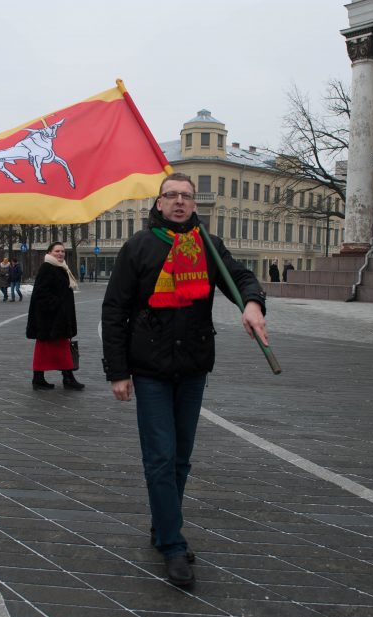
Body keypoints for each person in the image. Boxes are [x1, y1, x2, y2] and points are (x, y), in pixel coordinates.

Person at [102, 173, 267, 587]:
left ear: (195, 204)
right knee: (160, 457)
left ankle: (163, 526)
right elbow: (114, 311)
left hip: (193, 367)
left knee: (180, 459)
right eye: (171, 195)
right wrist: (117, 372)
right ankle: (173, 546)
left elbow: (241, 277)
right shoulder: (139, 246)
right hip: (151, 369)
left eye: (186, 196)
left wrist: (251, 305)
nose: (179, 202)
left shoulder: (207, 245)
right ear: (158, 203)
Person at [26, 242, 84, 390]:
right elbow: (40, 294)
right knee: (45, 349)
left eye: (63, 251)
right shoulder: (47, 268)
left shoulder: (61, 267)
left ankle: (61, 377)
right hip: (50, 319)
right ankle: (54, 378)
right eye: (57, 251)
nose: (60, 254)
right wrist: (58, 305)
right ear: (49, 253)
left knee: (60, 348)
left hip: (58, 319)